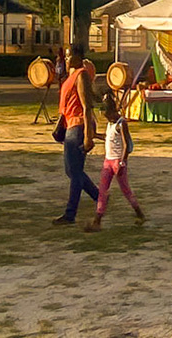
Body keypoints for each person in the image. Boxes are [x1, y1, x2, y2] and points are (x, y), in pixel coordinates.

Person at [52, 50, 101, 226]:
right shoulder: (70, 76)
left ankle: (70, 214)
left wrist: (88, 135)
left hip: (78, 126)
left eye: (68, 55)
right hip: (70, 126)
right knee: (72, 171)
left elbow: (87, 106)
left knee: (75, 172)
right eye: (65, 56)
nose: (65, 58)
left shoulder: (81, 75)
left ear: (78, 57)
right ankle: (99, 197)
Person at [84, 91, 144, 231]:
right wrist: (96, 136)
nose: (106, 118)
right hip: (108, 161)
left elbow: (126, 144)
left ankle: (139, 212)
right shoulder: (110, 124)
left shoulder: (121, 123)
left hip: (117, 161)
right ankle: (97, 219)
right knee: (102, 190)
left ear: (112, 111)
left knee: (125, 190)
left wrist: (122, 162)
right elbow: (109, 137)